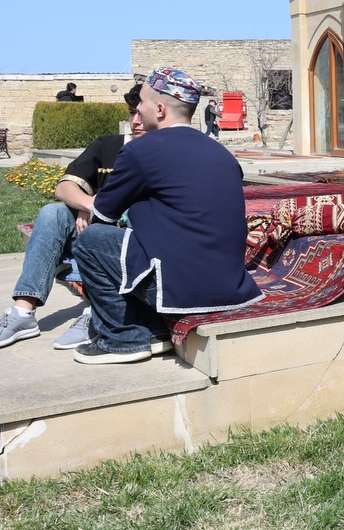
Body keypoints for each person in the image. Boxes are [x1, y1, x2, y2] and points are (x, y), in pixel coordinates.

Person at [70, 68, 261, 364]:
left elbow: (103, 216)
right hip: (232, 286)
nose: (138, 110)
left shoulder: (141, 150)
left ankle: (125, 338)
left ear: (159, 109)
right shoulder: (222, 153)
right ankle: (152, 328)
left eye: (142, 103)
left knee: (90, 241)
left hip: (184, 288)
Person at [0, 88, 146, 351]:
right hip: (90, 228)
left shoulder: (165, 154)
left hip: (131, 235)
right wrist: (90, 204)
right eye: (132, 113)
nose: (136, 121)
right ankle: (23, 312)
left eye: (141, 114)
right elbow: (63, 188)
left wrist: (104, 210)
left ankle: (97, 311)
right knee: (52, 212)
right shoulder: (109, 145)